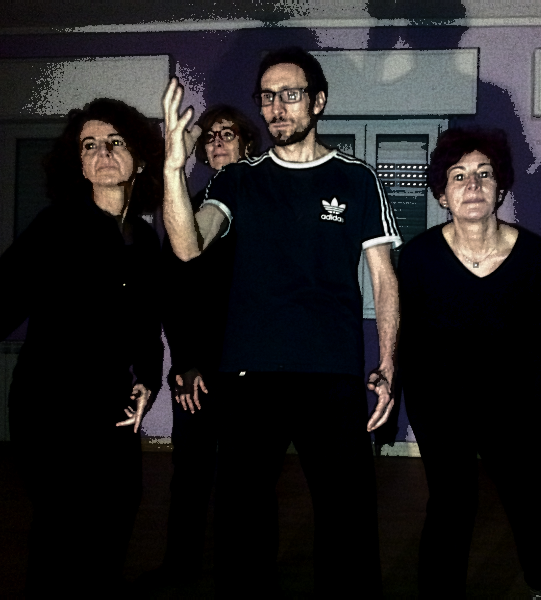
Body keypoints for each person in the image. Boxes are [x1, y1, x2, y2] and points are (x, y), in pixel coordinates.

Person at [161, 47, 400, 596]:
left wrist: (388, 363)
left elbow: (384, 277)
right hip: (250, 374)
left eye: (290, 94)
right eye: (267, 96)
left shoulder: (357, 178)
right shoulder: (238, 179)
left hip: (331, 372)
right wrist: (173, 170)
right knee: (242, 519)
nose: (276, 107)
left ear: (318, 101)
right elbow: (188, 245)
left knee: (347, 517)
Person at [0, 98, 165, 596]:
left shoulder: (144, 240)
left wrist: (148, 380)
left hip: (110, 406)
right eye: (89, 146)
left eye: (115, 142)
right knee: (62, 529)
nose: (102, 153)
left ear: (140, 158)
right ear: (78, 163)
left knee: (119, 510)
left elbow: (145, 325)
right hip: (48, 409)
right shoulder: (56, 227)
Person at [398, 128, 541, 599]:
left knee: (531, 501)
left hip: (515, 407)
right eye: (458, 176)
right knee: (451, 503)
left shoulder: (538, 258)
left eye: (484, 174)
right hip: (442, 405)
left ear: (500, 188)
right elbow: (406, 342)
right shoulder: (418, 258)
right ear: (442, 195)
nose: (473, 185)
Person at [157, 104, 260, 583]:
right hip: (198, 370)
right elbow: (171, 297)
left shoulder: (264, 210)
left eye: (227, 135)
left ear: (247, 145)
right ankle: (180, 567)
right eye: (210, 137)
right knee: (191, 472)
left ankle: (236, 572)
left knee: (245, 477)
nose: (217, 143)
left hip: (251, 370)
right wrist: (185, 365)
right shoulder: (186, 208)